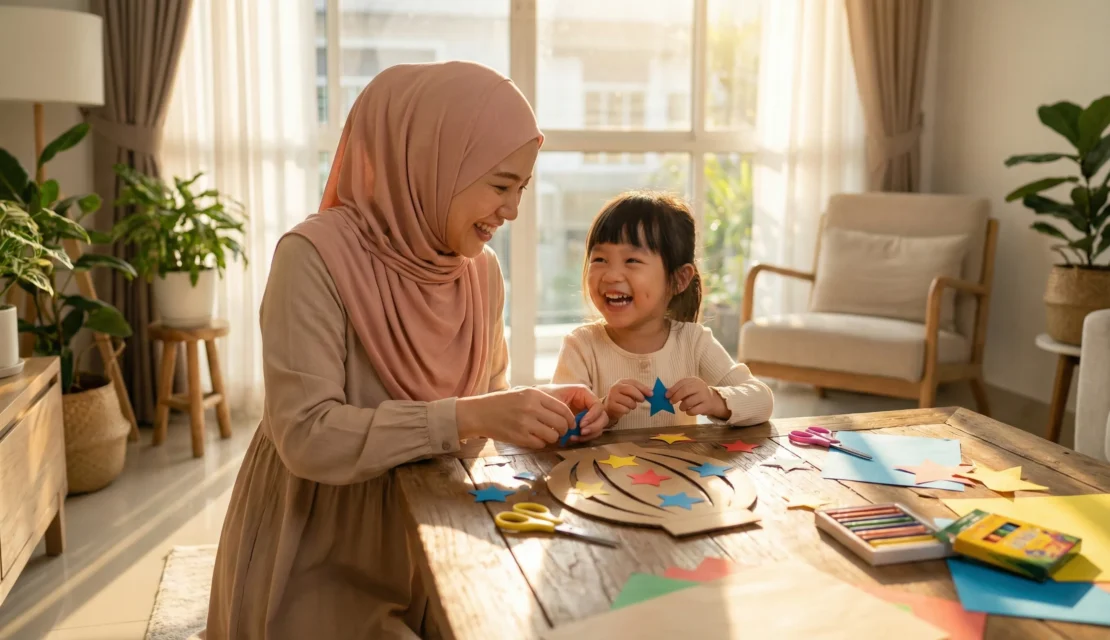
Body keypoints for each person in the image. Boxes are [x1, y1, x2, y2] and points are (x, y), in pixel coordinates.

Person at [204, 61, 605, 640]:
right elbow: (308, 435)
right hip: (319, 537)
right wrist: (468, 416)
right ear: (432, 161)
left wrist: (540, 407)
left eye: (521, 188)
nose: (512, 210)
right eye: (499, 185)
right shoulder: (311, 258)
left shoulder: (481, 271)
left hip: (440, 520)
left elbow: (484, 399)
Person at [552, 191, 774, 438]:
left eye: (632, 260)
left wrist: (716, 400)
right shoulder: (580, 346)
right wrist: (605, 410)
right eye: (600, 259)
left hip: (679, 465)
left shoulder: (694, 341)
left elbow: (762, 400)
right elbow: (557, 426)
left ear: (678, 279)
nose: (611, 275)